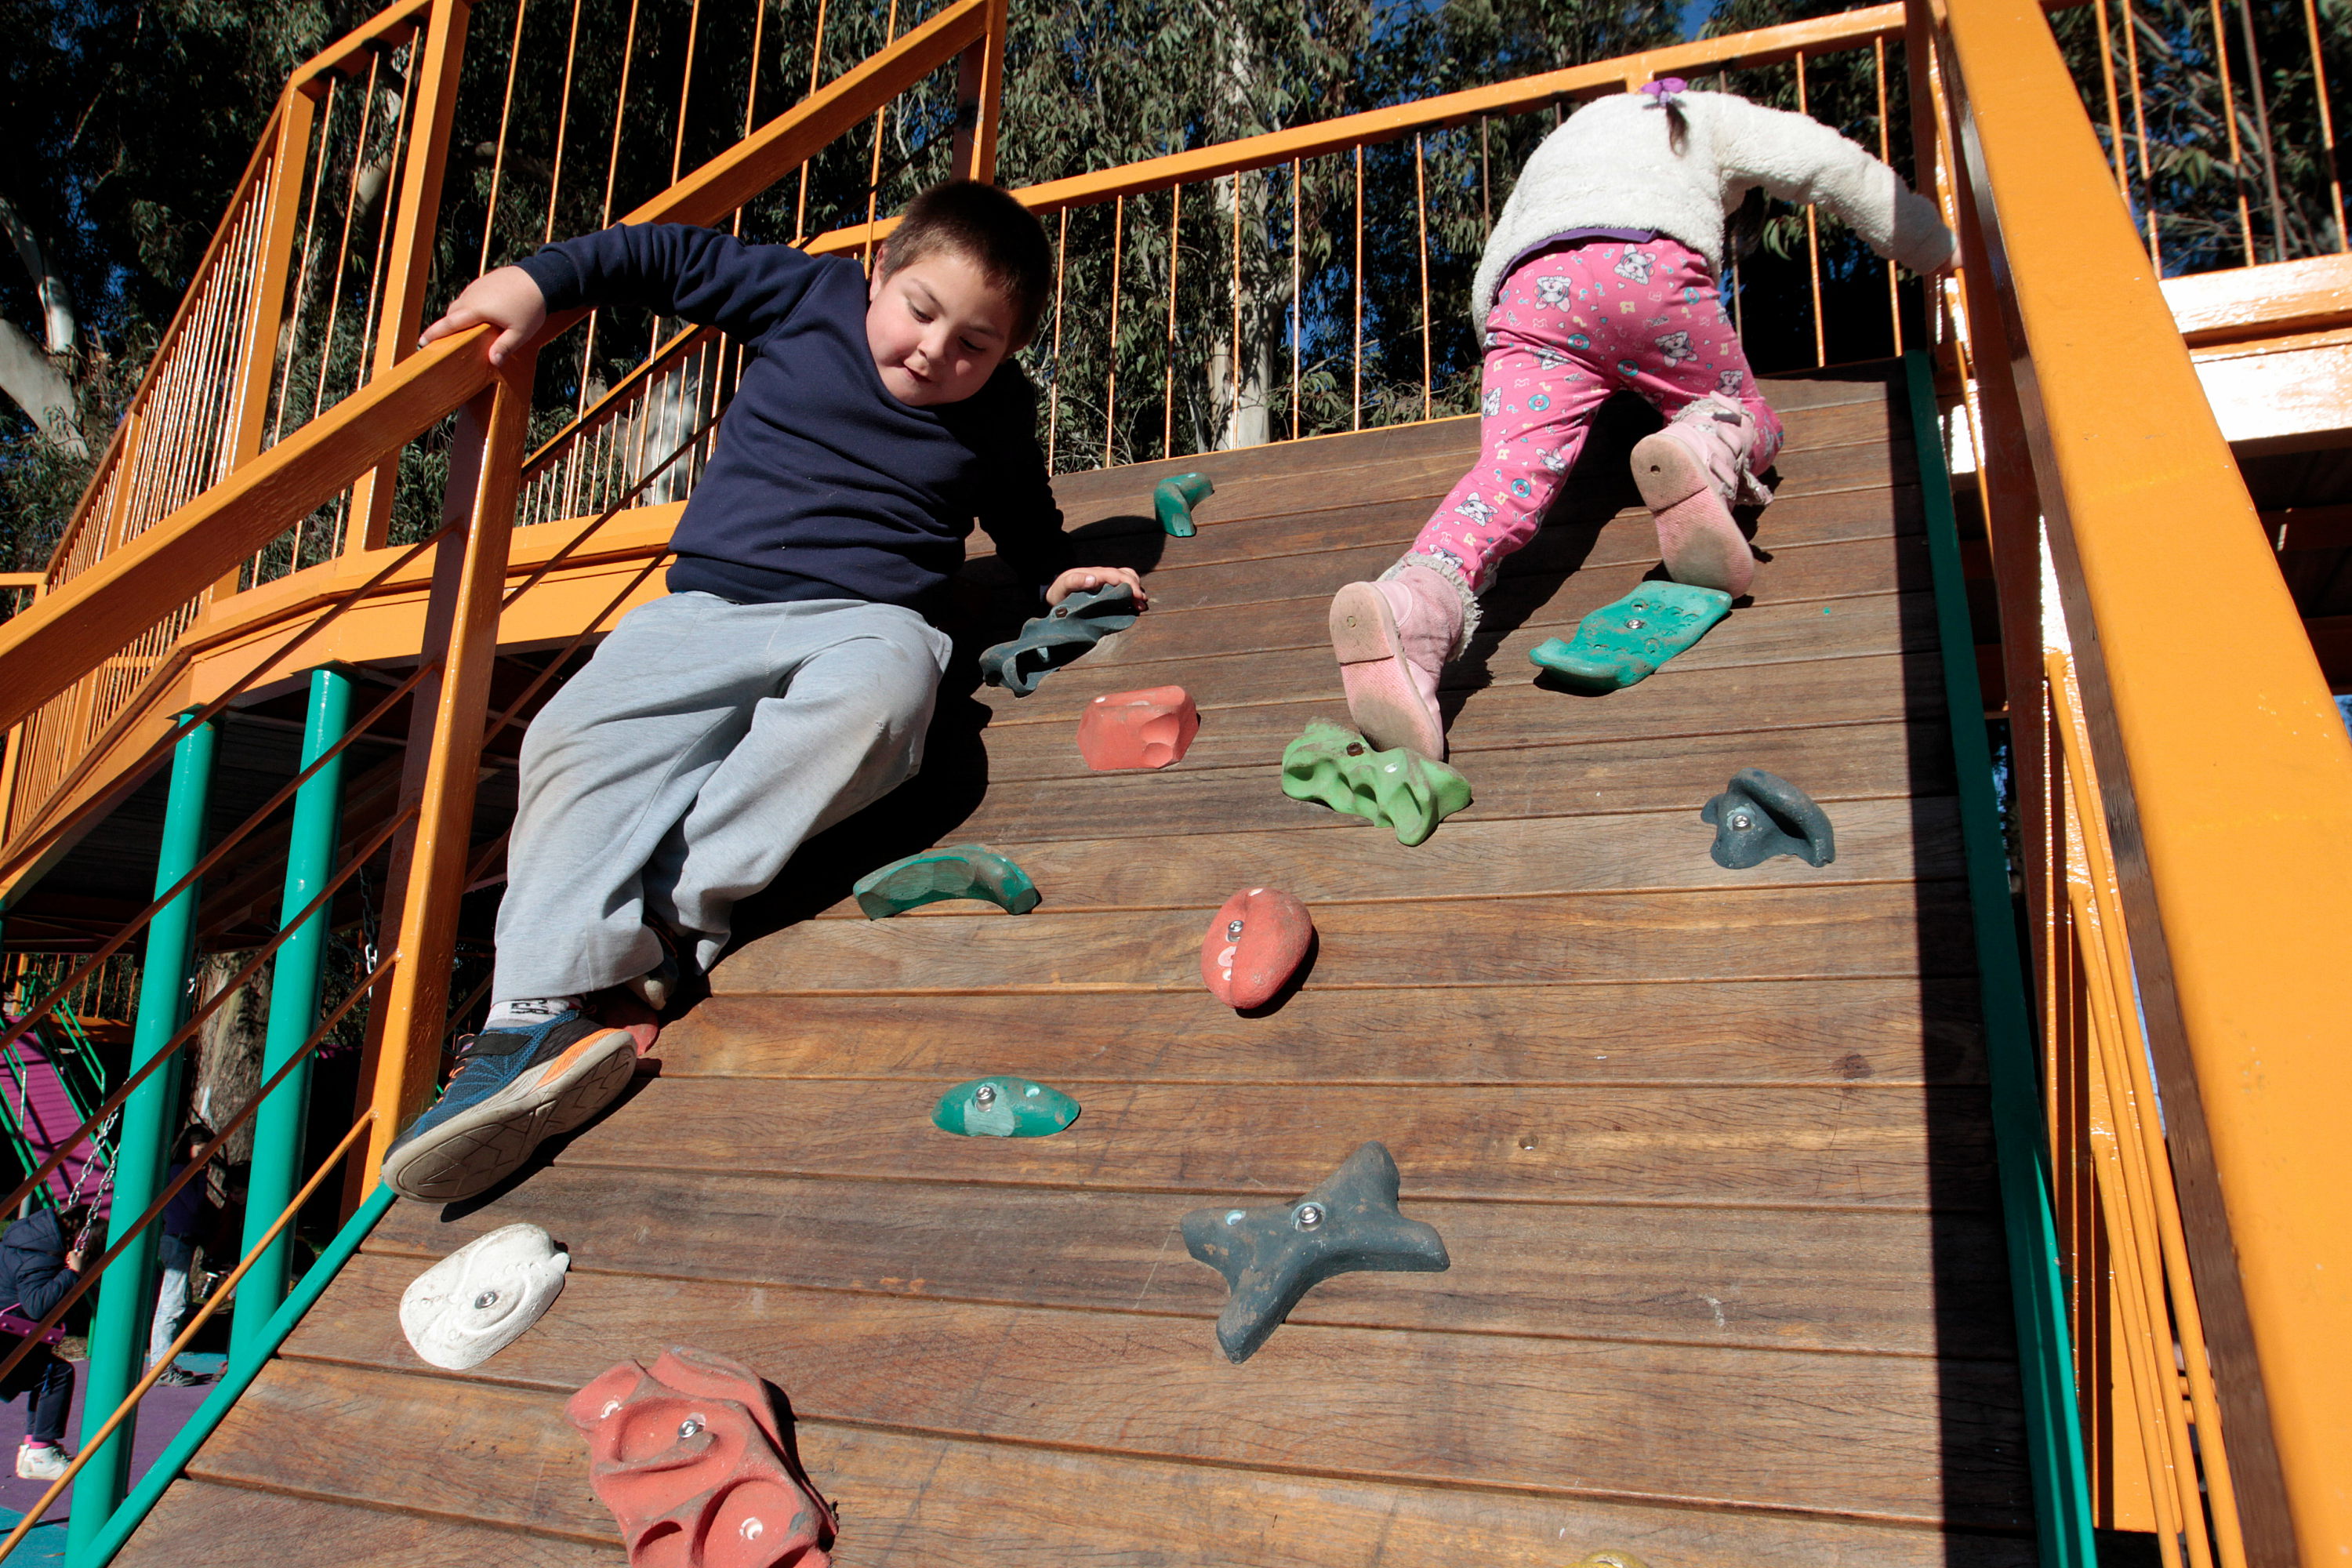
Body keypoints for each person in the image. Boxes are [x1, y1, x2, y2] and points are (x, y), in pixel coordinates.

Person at [380, 180, 1141, 1204]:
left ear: (1005, 356)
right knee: (573, 734)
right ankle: (527, 1022)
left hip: (869, 619)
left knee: (880, 707)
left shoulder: (999, 411)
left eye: (973, 344)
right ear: (879, 272)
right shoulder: (802, 294)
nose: (934, 352)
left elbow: (1020, 507)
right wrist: (534, 280)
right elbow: (651, 258)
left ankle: (661, 933)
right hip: (709, 607)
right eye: (920, 311)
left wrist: (1055, 569)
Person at [1327, 79, 1956, 760]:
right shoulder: (1701, 112)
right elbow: (1828, 164)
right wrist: (1937, 250)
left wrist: (1506, 340)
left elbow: (1509, 236)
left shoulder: (1569, 135)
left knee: (1507, 475)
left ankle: (1412, 606)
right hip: (1642, 263)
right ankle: (1703, 443)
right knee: (1745, 411)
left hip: (1526, 296)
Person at [0, 1202, 87, 1480]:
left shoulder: (19, 1240)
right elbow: (37, 1305)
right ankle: (39, 1451)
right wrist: (71, 1273)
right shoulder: (42, 1256)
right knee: (56, 1373)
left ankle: (36, 1448)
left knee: (48, 1370)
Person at [146, 1125, 213, 1386]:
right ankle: (161, 1364)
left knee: (173, 1302)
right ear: (189, 1148)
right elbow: (195, 1206)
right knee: (172, 1305)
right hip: (176, 1241)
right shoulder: (181, 1172)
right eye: (201, 1150)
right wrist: (200, 1176)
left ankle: (163, 1361)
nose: (205, 1156)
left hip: (181, 1240)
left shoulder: (182, 1172)